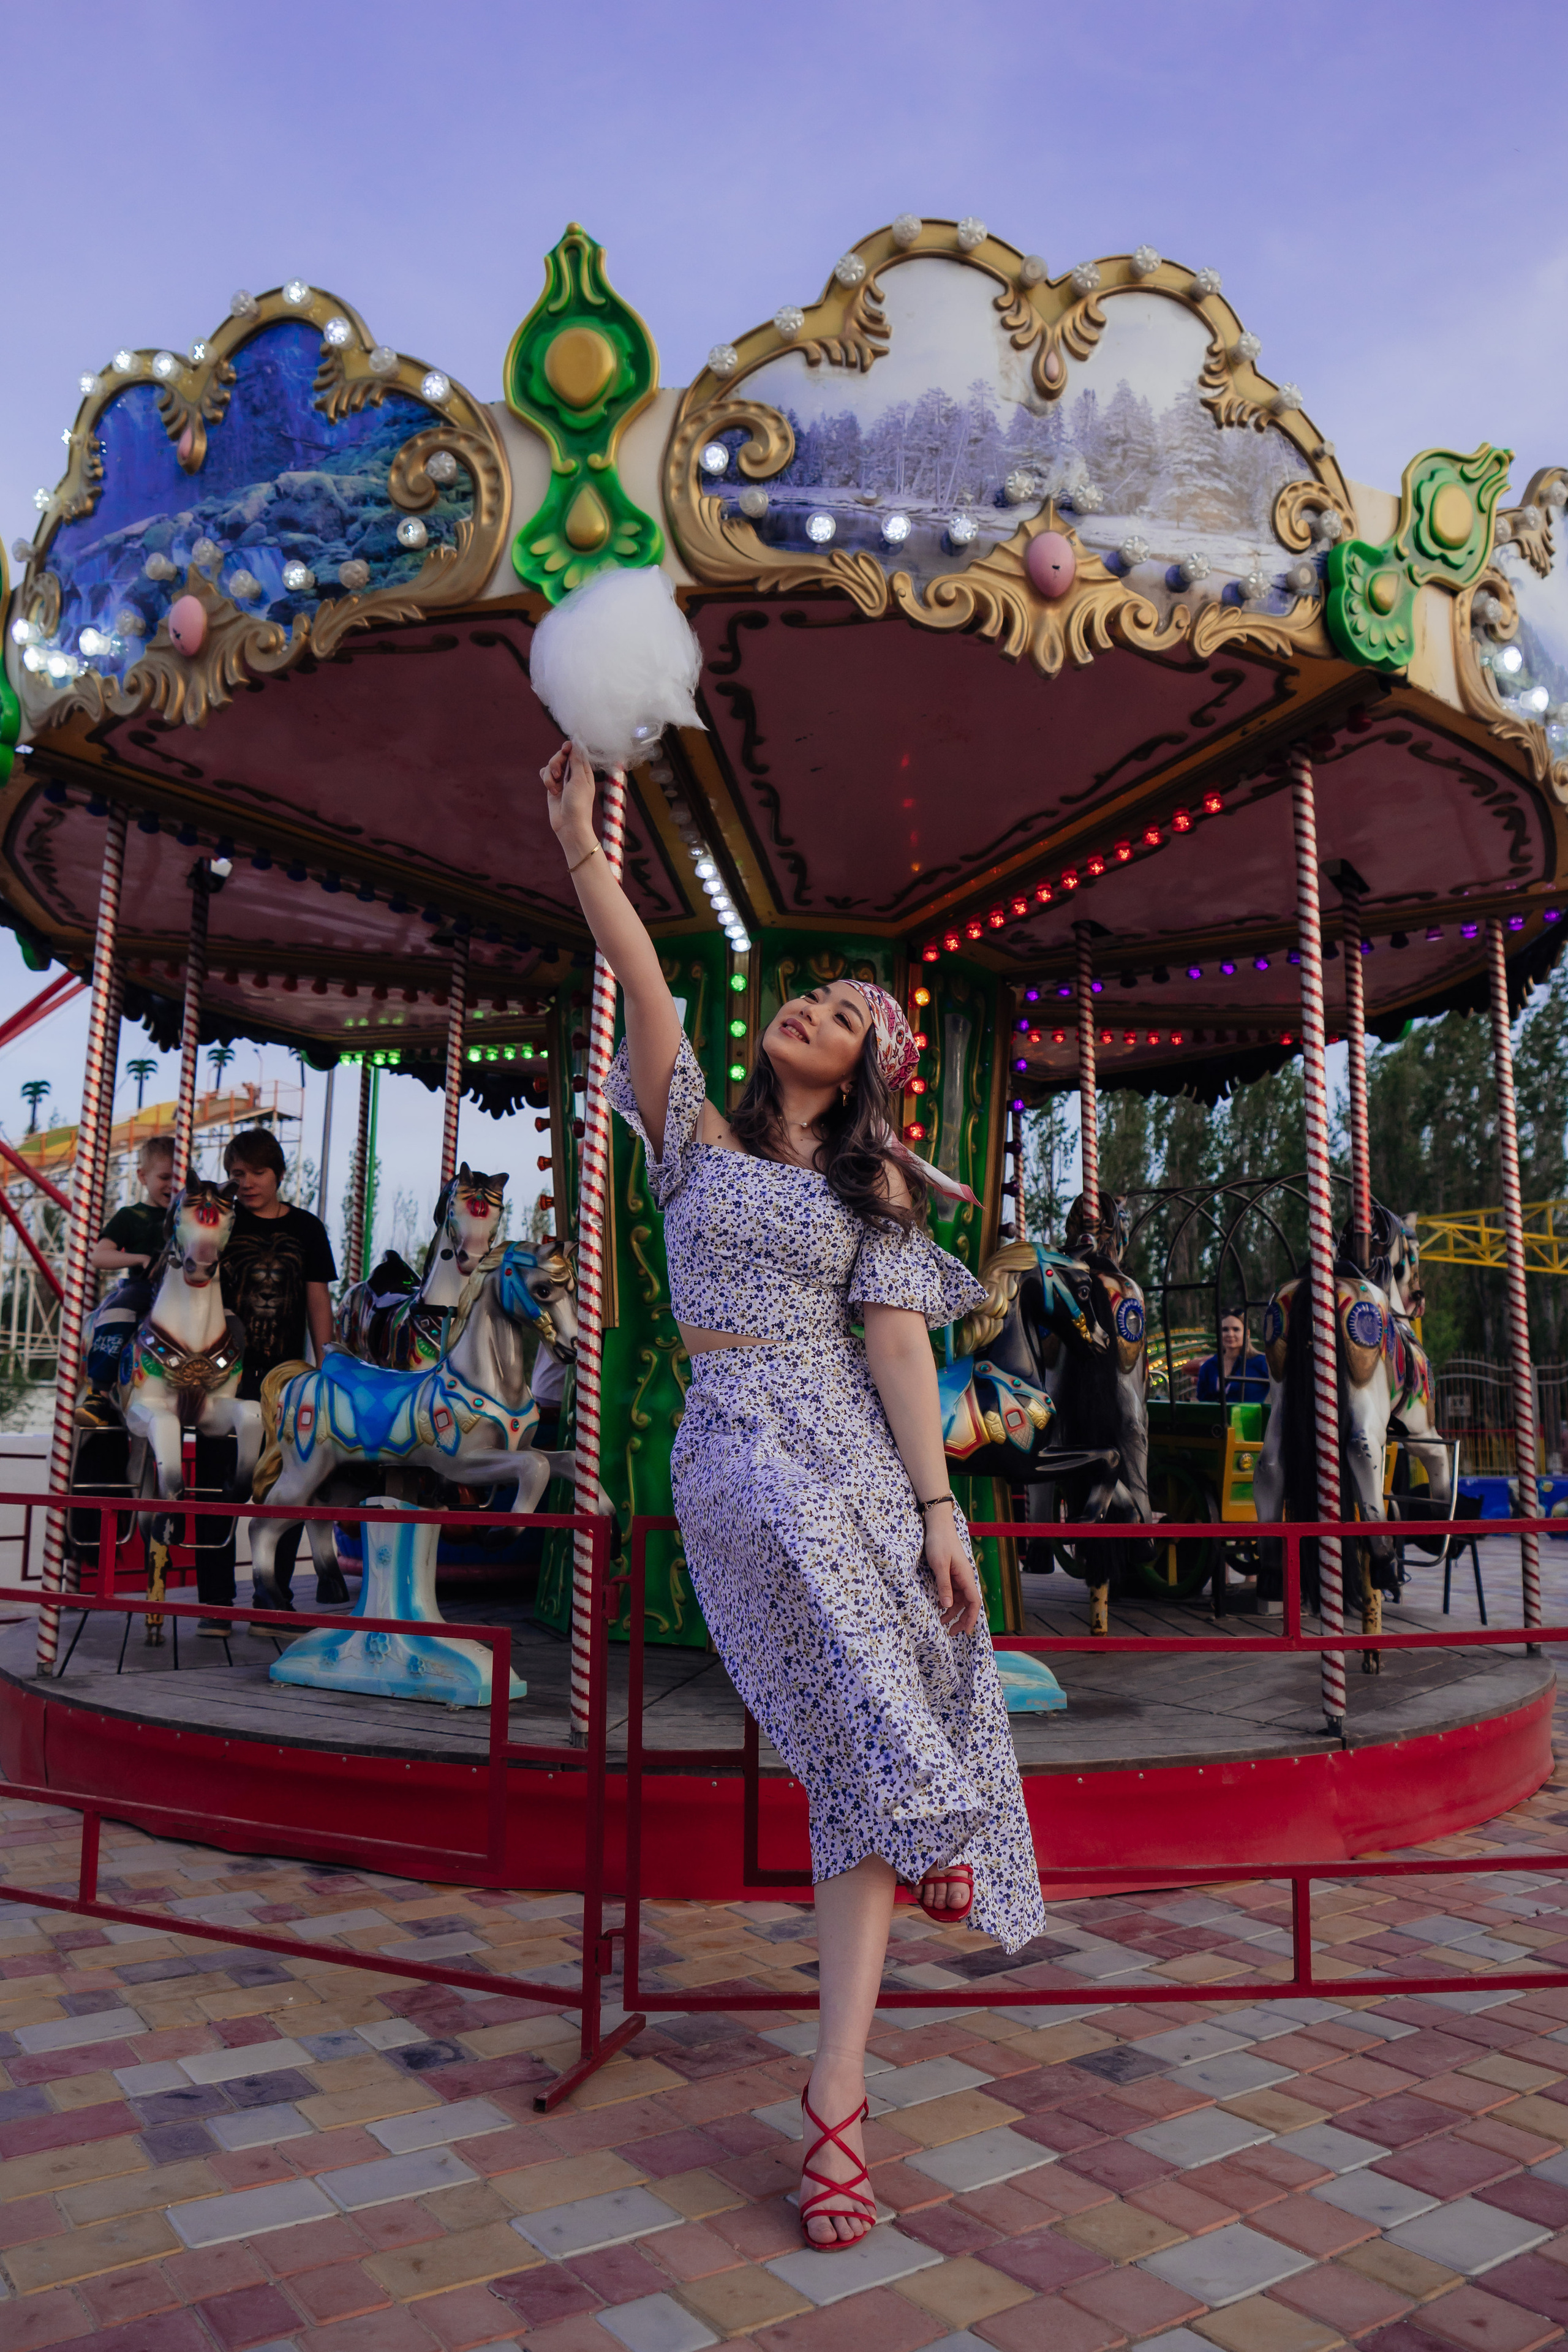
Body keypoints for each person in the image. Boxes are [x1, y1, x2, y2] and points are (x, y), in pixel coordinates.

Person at [542, 740, 1046, 2252]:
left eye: (837, 1013)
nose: (807, 1011)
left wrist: (942, 1513)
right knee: (806, 1546)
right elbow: (641, 972)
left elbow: (895, 1347)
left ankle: (836, 2100)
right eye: (807, 998)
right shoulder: (689, 1128)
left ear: (863, 1070)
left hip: (847, 1438)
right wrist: (581, 844)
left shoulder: (865, 1185)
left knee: (866, 1748)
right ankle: (931, 1802)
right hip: (736, 1437)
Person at [219, 1127, 337, 1400]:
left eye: (258, 1173)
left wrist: (325, 1367)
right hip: (224, 1368)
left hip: (285, 1372)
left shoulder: (308, 1228)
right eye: (238, 1175)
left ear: (280, 1174)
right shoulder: (222, 1222)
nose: (247, 1183)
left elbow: (318, 1300)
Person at [83, 1136, 176, 1400]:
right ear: (143, 1177)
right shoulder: (131, 1216)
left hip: (184, 1290)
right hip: (144, 1288)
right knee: (117, 1314)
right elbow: (100, 1257)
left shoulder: (189, 1217)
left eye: (179, 1177)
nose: (172, 1185)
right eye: (164, 1177)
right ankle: (100, 1390)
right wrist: (140, 1259)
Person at [1196, 1310, 1270, 1403]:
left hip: (1249, 1413)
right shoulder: (1209, 1366)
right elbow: (1202, 1400)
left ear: (1247, 1333)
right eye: (1225, 1330)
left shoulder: (1262, 1363)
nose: (1230, 1334)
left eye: (1236, 1329)